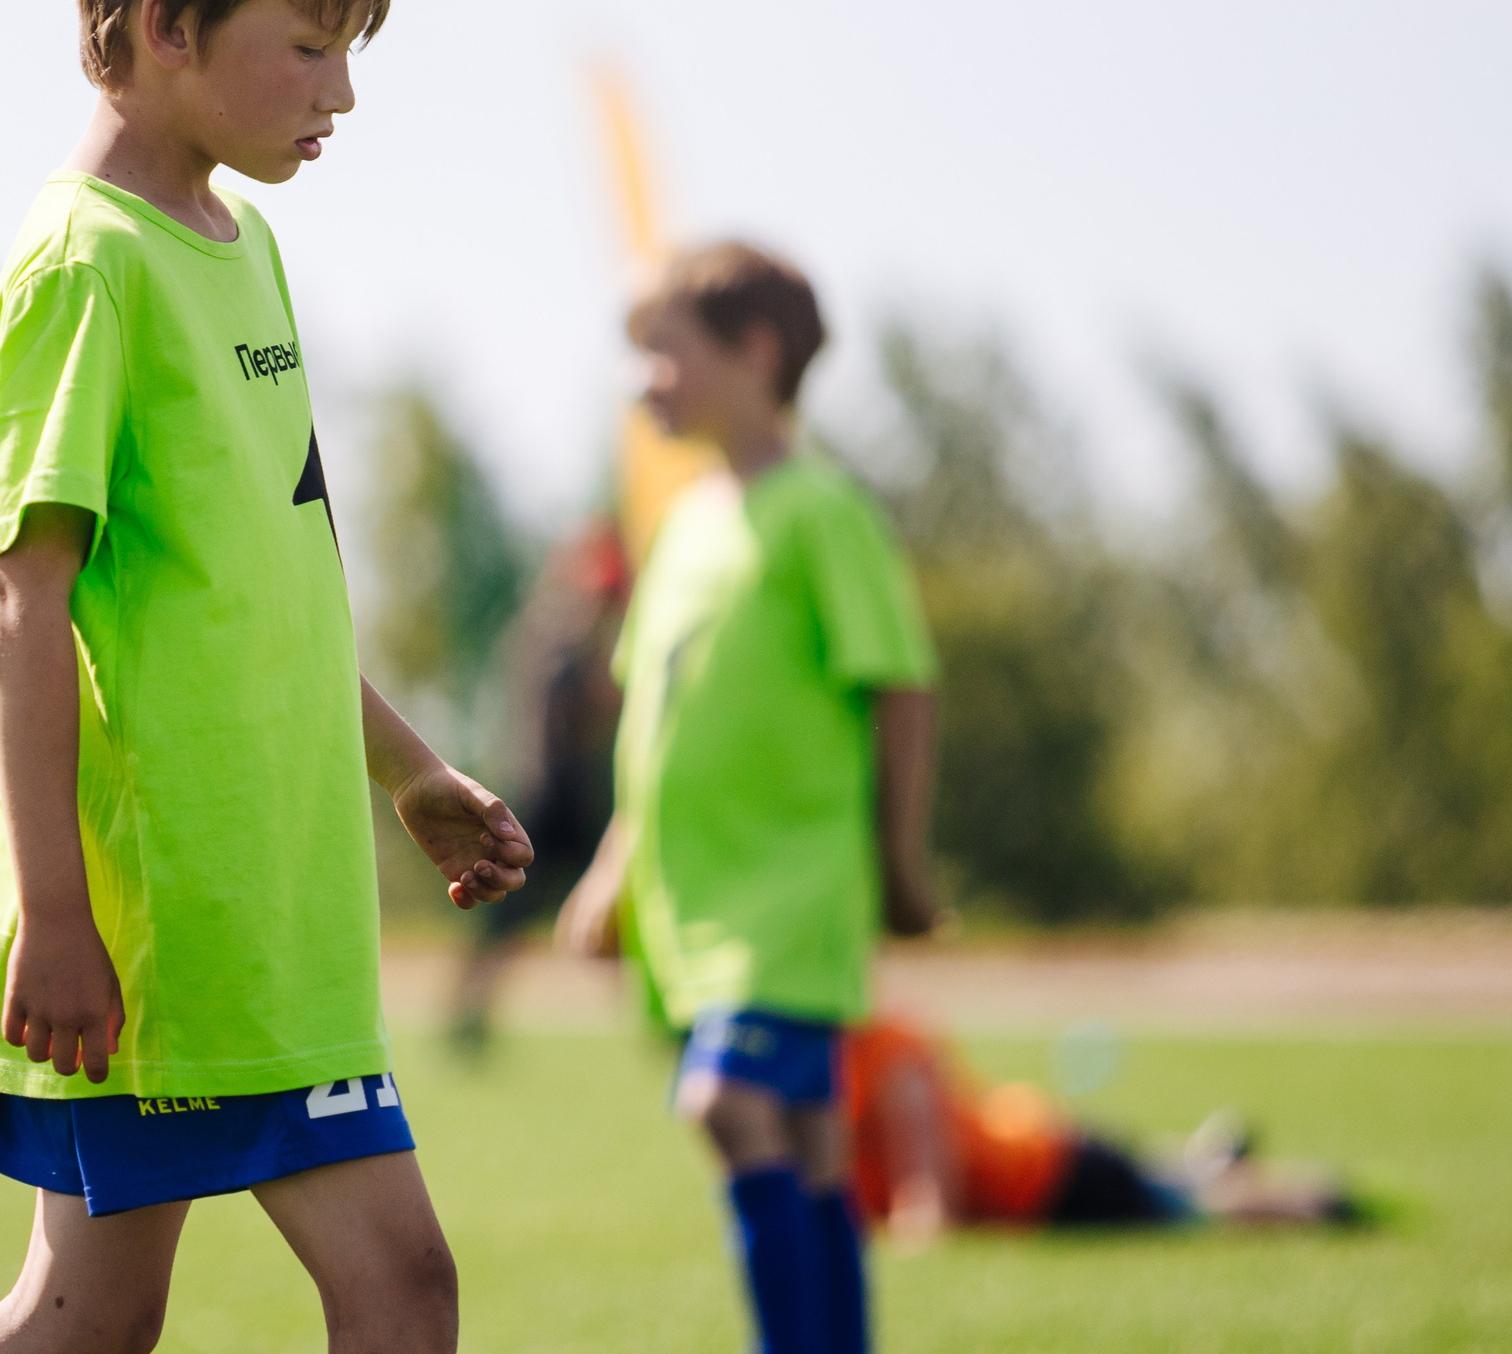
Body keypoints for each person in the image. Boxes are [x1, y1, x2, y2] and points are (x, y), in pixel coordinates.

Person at [0, 0, 535, 1354]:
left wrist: (405, 769)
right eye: (313, 46)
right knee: (388, 1283)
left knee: (84, 1321)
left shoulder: (239, 242)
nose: (342, 92)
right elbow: (18, 600)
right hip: (153, 912)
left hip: (272, 898)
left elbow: (262, 582)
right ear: (164, 32)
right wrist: (57, 914)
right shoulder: (85, 262)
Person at [558, 241, 941, 1354]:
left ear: (754, 353)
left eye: (663, 356)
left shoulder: (819, 512)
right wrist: (611, 874)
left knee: (722, 1104)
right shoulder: (683, 526)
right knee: (810, 1142)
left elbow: (901, 687)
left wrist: (902, 863)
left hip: (789, 899)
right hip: (700, 906)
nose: (644, 384)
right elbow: (660, 723)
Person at [843, 1013, 1362, 1241]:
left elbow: (929, 1217)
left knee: (1193, 1210)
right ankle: (1210, 1158)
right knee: (1167, 1179)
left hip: (1053, 1178)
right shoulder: (849, 1056)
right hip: (1045, 1144)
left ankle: (1315, 1201)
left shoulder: (885, 1052)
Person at [446, 516, 633, 1056]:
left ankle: (649, 1014)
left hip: (565, 795)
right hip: (552, 796)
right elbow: (590, 708)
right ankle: (467, 1015)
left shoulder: (550, 628)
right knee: (511, 915)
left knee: (611, 911)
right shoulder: (563, 635)